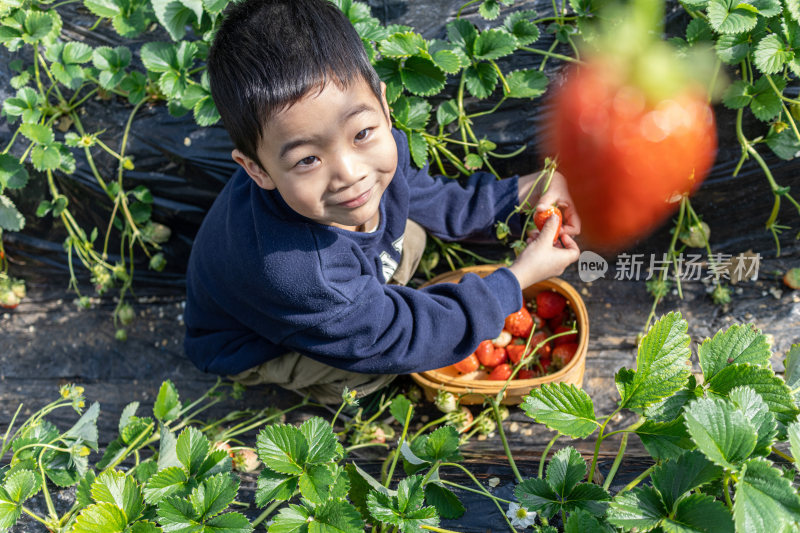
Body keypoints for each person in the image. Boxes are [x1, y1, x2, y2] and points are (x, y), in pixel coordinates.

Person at [183, 0, 581, 404]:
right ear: (257, 170)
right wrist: (515, 280)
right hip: (257, 345)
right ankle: (332, 382)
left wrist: (516, 197)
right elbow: (397, 337)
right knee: (371, 372)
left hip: (331, 296)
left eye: (361, 134)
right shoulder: (296, 271)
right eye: (307, 159)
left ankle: (368, 307)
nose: (350, 173)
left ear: (384, 106)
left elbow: (432, 198)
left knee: (412, 232)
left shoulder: (377, 156)